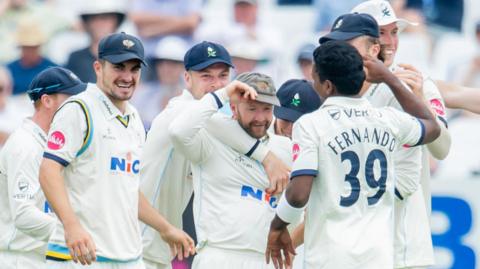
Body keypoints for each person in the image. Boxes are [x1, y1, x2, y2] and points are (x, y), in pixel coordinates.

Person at [265, 40, 441, 269]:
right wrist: (390, 78)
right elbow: (433, 126)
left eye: (315, 76)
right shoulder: (389, 119)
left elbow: (298, 194)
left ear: (327, 86)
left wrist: (277, 226)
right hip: (380, 256)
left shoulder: (311, 124)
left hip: (330, 256)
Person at [38, 32, 194, 269]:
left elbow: (129, 189)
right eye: (119, 67)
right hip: (80, 255)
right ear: (98, 67)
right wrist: (72, 226)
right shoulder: (79, 109)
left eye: (134, 69)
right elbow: (48, 170)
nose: (127, 77)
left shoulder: (133, 117)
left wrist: (166, 228)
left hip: (127, 256)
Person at [140, 41, 290, 269]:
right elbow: (221, 127)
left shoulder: (207, 119)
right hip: (140, 238)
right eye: (206, 76)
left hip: (157, 244)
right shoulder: (180, 110)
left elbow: (243, 126)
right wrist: (268, 158)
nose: (216, 84)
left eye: (222, 76)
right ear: (187, 78)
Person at [351, 2, 452, 268]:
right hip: (353, 244)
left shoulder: (415, 82)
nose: (390, 41)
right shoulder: (337, 87)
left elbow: (442, 148)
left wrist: (419, 102)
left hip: (405, 245)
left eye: (394, 32)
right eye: (380, 33)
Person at [169, 72, 293, 269]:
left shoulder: (283, 148)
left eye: (267, 109)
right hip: (219, 255)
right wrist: (224, 94)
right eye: (252, 108)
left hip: (267, 259)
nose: (260, 118)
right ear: (233, 108)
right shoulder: (210, 141)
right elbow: (178, 131)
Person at [0, 67, 86, 269]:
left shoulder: (56, 144)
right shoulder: (25, 145)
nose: (80, 107)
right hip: (19, 259)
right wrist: (72, 230)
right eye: (72, 100)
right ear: (47, 101)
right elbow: (24, 214)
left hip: (46, 257)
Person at [131, 36, 188, 129]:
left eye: (173, 64)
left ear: (183, 67)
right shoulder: (143, 95)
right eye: (161, 63)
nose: (166, 69)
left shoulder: (191, 98)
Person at [65, 0, 126, 83]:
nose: (100, 24)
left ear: (116, 21)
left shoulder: (131, 57)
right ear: (86, 23)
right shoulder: (76, 58)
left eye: (105, 18)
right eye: (94, 19)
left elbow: (139, 90)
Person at [7, 19, 57, 95]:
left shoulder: (52, 69)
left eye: (33, 47)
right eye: (26, 48)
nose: (30, 52)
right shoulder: (8, 70)